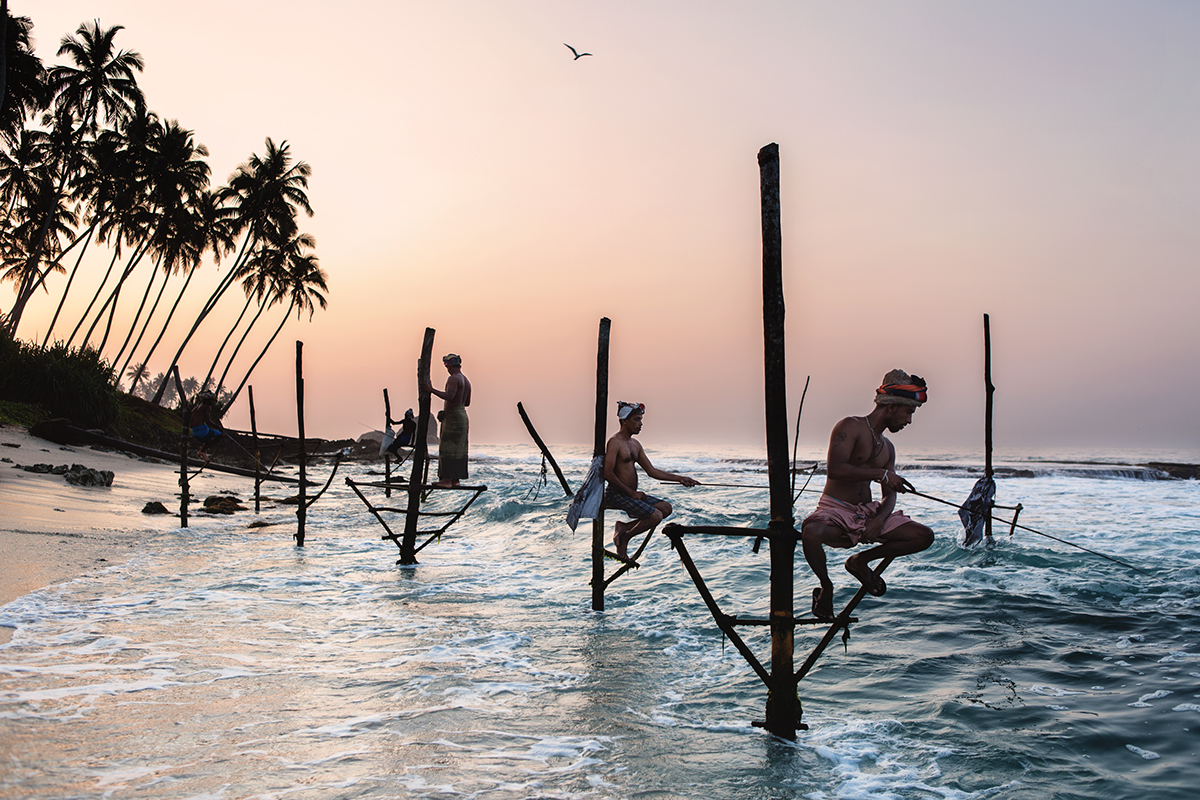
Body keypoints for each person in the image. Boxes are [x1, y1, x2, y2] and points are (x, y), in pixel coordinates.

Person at [801, 369, 935, 622]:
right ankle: (826, 587)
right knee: (812, 533)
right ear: (893, 407)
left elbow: (889, 496)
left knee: (923, 536)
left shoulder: (888, 448)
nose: (909, 421)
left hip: (869, 512)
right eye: (909, 413)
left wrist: (879, 520)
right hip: (837, 509)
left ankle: (860, 562)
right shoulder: (850, 426)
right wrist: (882, 475)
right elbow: (836, 470)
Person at [603, 401, 698, 560]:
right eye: (636, 420)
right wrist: (631, 493)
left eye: (641, 420)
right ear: (624, 421)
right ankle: (624, 539)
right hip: (617, 493)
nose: (640, 424)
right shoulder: (614, 442)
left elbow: (652, 471)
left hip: (631, 494)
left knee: (666, 508)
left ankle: (624, 527)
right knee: (655, 516)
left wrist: (680, 478)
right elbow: (607, 473)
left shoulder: (635, 444)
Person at [423, 353, 471, 488]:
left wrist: (431, 390)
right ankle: (456, 479)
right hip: (462, 416)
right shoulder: (466, 380)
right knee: (459, 449)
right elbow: (467, 402)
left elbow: (450, 396)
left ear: (449, 366)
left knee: (446, 448)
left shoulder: (453, 379)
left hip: (453, 418)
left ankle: (446, 480)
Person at [189, 390, 224, 461]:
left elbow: (191, 422)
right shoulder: (207, 407)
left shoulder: (195, 408)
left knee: (209, 436)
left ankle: (202, 451)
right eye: (212, 400)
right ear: (208, 400)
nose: (213, 402)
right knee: (220, 435)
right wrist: (218, 427)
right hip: (202, 432)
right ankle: (203, 450)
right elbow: (208, 421)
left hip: (194, 432)